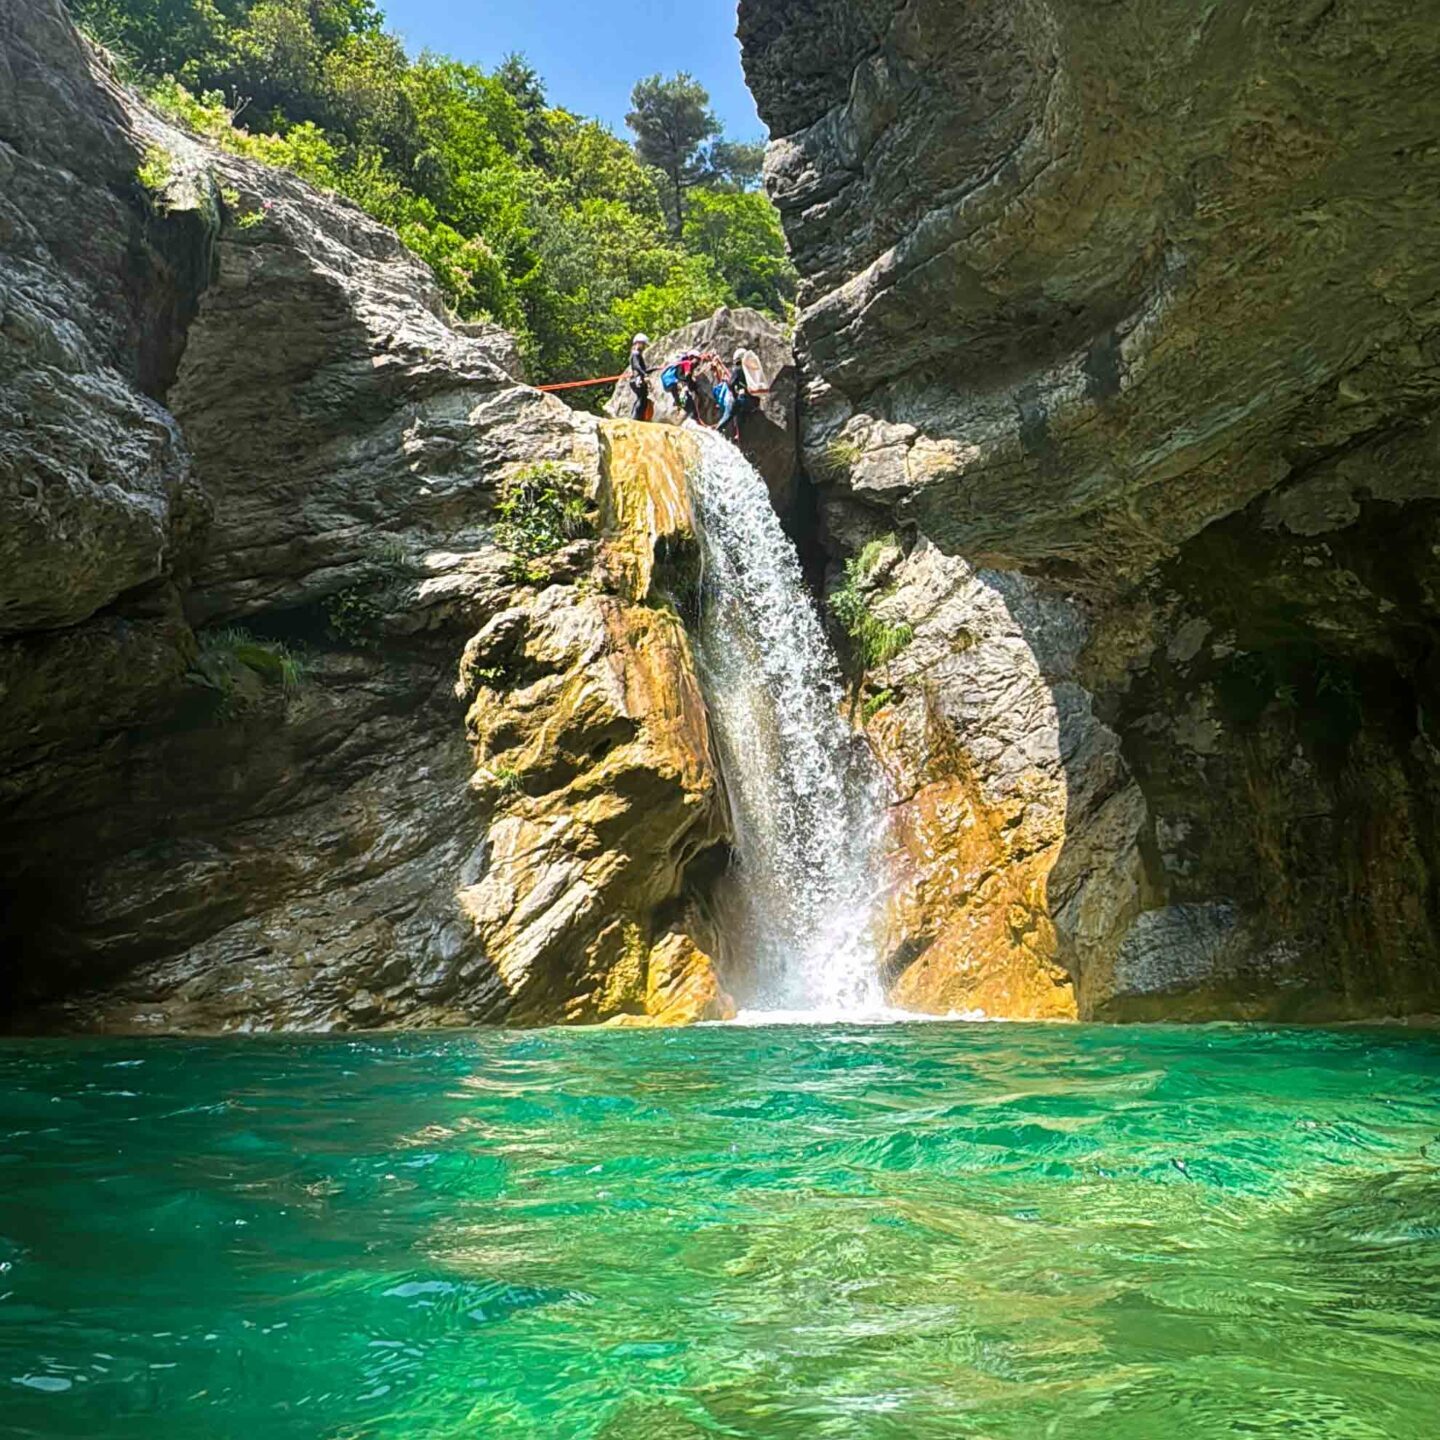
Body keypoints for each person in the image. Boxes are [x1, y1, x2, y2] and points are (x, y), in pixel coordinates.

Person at [628, 333, 652, 421]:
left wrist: (654, 369)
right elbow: (637, 366)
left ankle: (637, 417)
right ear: (639, 343)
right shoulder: (635, 354)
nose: (645, 347)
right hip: (637, 379)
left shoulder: (636, 354)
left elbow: (640, 368)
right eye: (644, 344)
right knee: (642, 398)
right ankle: (635, 418)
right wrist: (645, 374)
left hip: (636, 379)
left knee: (642, 398)